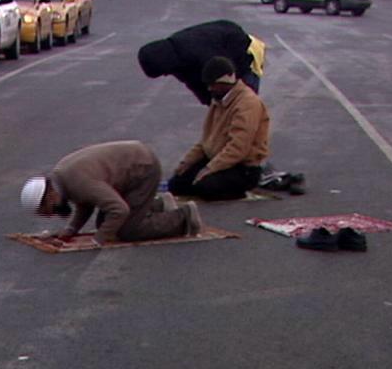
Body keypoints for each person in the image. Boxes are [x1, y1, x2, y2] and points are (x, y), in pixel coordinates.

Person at [21, 140, 203, 245]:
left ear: (49, 196)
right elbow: (86, 203)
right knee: (105, 222)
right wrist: (71, 229)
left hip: (143, 169)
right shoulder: (62, 179)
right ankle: (158, 204)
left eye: (48, 210)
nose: (52, 214)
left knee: (128, 231)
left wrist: (98, 240)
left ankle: (184, 216)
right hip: (130, 168)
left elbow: (119, 209)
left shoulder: (77, 182)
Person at [168, 57, 270, 201]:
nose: (210, 89)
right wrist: (186, 164)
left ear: (225, 82)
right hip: (217, 159)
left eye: (213, 85)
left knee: (206, 187)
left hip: (242, 167)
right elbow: (204, 142)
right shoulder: (218, 100)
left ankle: (239, 191)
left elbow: (238, 149)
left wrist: (209, 169)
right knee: (176, 185)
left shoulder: (247, 104)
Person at [137, 19, 266, 105]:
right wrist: (211, 104)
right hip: (222, 50)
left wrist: (223, 105)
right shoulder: (175, 60)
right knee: (224, 112)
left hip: (244, 52)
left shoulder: (197, 53)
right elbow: (195, 84)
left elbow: (227, 76)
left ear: (163, 62)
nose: (165, 75)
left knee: (244, 106)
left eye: (162, 72)